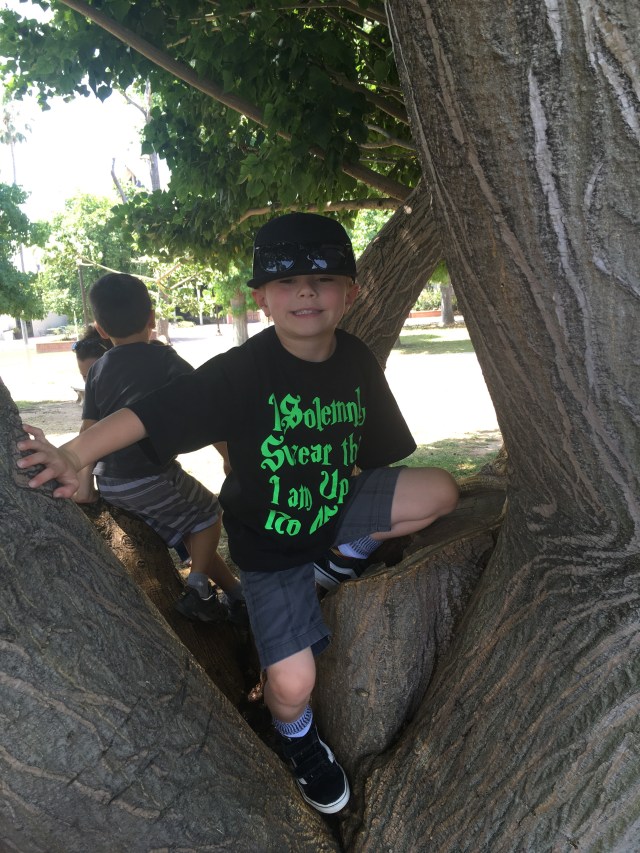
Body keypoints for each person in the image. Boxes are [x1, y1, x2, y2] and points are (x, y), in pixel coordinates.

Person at [18, 213, 458, 814]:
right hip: (271, 549)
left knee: (439, 491)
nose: (306, 292)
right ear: (262, 300)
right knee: (294, 683)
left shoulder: (355, 358)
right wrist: (74, 455)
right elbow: (148, 414)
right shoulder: (242, 370)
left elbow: (371, 454)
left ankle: (334, 564)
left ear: (350, 294)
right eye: (286, 281)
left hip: (333, 508)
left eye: (323, 279)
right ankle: (297, 739)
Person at [66, 273, 244, 625]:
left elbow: (89, 430)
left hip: (111, 483)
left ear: (100, 329)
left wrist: (84, 487)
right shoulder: (165, 360)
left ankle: (236, 594)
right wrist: (229, 458)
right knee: (209, 513)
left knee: (194, 530)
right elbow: (206, 408)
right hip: (149, 476)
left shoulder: (98, 369)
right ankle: (199, 590)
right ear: (151, 318)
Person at [72, 323, 193, 567]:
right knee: (196, 524)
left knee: (194, 524)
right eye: (84, 377)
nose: (88, 382)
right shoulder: (114, 378)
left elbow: (88, 434)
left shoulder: (151, 369)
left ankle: (203, 571)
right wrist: (84, 486)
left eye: (90, 375)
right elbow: (88, 436)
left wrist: (84, 487)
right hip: (135, 478)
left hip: (142, 474)